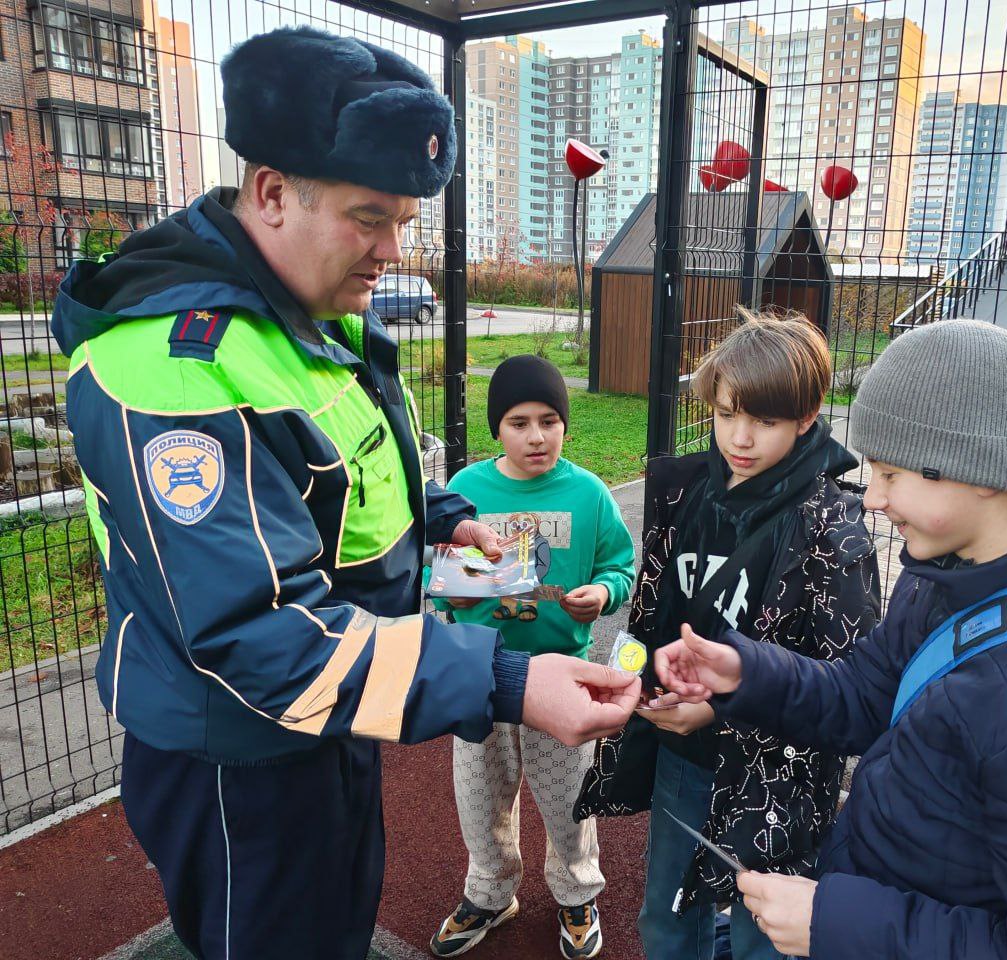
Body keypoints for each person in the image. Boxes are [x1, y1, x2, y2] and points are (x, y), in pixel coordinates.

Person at [51, 26, 638, 960]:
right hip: (241, 752)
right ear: (274, 193)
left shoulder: (311, 317)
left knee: (336, 923)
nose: (392, 252)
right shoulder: (176, 367)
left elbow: (359, 468)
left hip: (342, 711)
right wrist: (508, 681)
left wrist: (448, 516)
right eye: (371, 218)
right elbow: (261, 633)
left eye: (403, 222)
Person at [655, 319, 1007, 959]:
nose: (872, 498)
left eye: (891, 473)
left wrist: (841, 922)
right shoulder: (947, 578)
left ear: (978, 468)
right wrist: (746, 672)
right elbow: (865, 695)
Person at [575, 312, 882, 960]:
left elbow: (849, 683)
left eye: (765, 420)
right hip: (682, 758)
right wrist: (630, 679)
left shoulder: (834, 526)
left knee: (763, 935)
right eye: (726, 413)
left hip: (778, 778)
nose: (740, 437)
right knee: (666, 916)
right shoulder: (685, 493)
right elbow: (652, 612)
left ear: (807, 416)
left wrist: (717, 707)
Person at [428, 356, 637, 960]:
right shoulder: (465, 491)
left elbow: (619, 565)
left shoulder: (589, 494)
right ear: (498, 428)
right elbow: (432, 568)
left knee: (570, 799)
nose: (536, 436)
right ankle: (490, 892)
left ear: (565, 425)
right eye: (519, 422)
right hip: (478, 677)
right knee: (480, 797)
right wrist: (459, 581)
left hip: (559, 682)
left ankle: (576, 892)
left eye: (549, 420)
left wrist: (603, 593)